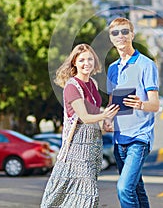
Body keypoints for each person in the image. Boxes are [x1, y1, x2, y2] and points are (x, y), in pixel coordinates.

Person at [41, 43, 119, 208]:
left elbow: (94, 113)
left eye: (90, 59)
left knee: (77, 196)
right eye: (82, 59)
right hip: (77, 147)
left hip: (93, 145)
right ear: (74, 63)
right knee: (87, 194)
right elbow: (84, 117)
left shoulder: (93, 84)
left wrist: (106, 121)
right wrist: (104, 114)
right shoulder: (71, 86)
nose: (87, 63)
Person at [104, 17, 160, 208]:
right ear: (111, 38)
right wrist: (107, 120)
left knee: (124, 188)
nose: (120, 36)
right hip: (119, 140)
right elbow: (112, 102)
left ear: (132, 34)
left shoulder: (146, 65)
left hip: (139, 138)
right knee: (136, 189)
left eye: (125, 31)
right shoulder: (112, 69)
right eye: (115, 33)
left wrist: (140, 104)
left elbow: (155, 105)